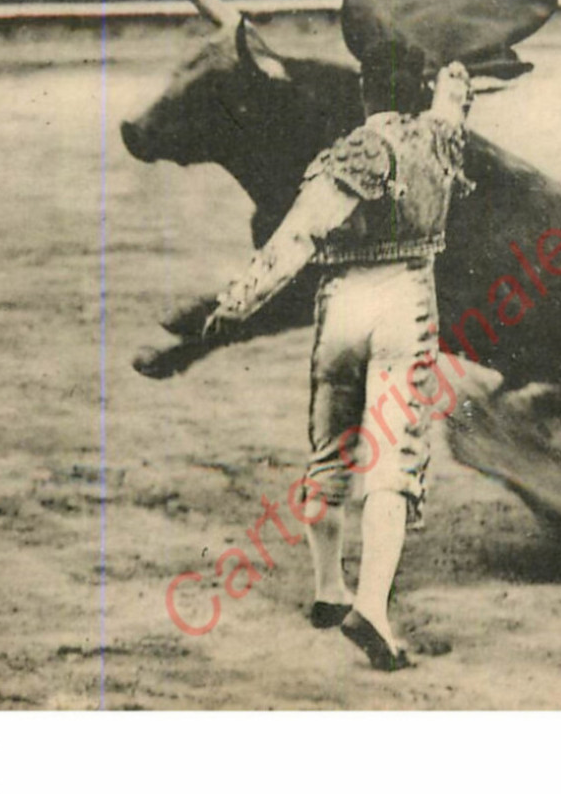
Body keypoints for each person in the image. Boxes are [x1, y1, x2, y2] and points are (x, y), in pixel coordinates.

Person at [203, 51, 473, 671]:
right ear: (423, 91)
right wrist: (452, 70)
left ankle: (331, 591)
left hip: (344, 306)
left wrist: (237, 302)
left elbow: (298, 235)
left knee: (330, 450)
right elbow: (453, 100)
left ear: (366, 94)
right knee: (391, 458)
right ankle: (371, 607)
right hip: (406, 305)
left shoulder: (356, 151)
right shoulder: (441, 137)